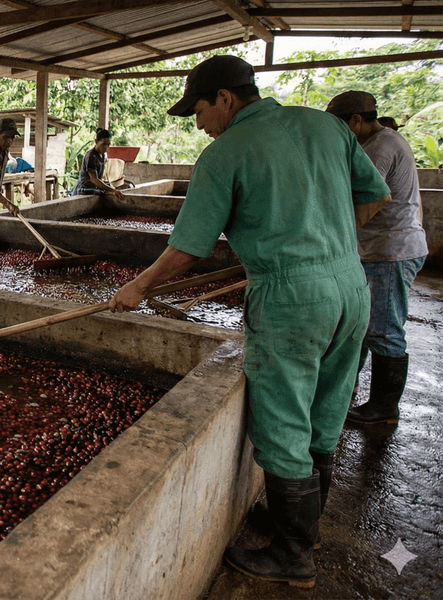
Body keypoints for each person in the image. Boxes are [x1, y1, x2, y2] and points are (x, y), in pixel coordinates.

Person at [107, 55, 391, 588]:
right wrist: (323, 240)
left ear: (225, 98)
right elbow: (378, 195)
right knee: (327, 407)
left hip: (291, 299)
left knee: (283, 421)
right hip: (351, 286)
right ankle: (306, 527)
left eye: (198, 111)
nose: (198, 124)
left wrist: (138, 287)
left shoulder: (225, 153)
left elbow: (188, 247)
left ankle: (292, 556)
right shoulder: (326, 126)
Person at [326, 91, 428, 425]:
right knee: (360, 322)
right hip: (378, 249)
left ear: (355, 121)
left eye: (339, 126)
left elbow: (364, 198)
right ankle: (349, 387)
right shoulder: (375, 143)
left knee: (383, 329)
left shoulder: (381, 148)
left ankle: (384, 408)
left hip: (390, 251)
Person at [71, 127, 124, 200]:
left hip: (94, 187)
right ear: (96, 141)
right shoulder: (91, 155)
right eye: (103, 144)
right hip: (85, 189)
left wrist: (112, 188)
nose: (106, 147)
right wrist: (113, 190)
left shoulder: (103, 155)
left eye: (108, 144)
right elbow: (94, 179)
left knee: (109, 186)